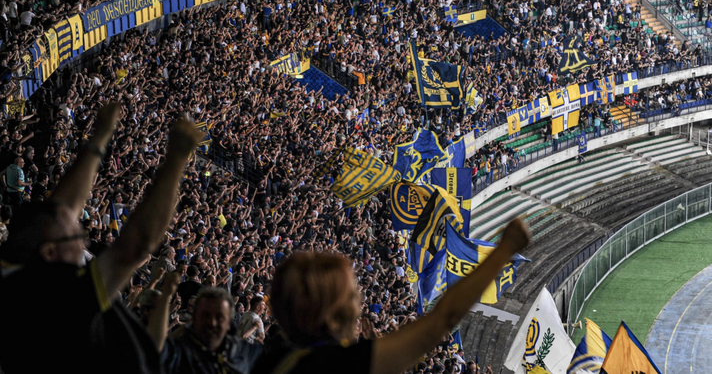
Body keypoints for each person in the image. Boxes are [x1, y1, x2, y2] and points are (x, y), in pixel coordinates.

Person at [0, 101, 204, 374]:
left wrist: (100, 138)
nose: (83, 242)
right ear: (50, 253)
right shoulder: (54, 300)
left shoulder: (15, 266)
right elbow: (133, 247)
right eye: (77, 236)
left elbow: (62, 208)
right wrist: (177, 160)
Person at [252, 218, 530, 374]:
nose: (359, 306)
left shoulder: (270, 360)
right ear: (332, 314)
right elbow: (443, 318)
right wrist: (504, 250)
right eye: (352, 298)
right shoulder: (336, 365)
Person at [160, 287, 263, 374]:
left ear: (228, 323)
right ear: (194, 318)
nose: (212, 323)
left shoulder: (241, 351)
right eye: (206, 316)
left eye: (219, 317)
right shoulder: (178, 353)